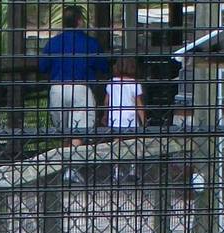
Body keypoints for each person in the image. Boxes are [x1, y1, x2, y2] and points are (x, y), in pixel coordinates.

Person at [39, 7, 107, 149]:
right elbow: (103, 66)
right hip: (81, 88)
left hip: (58, 88)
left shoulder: (53, 43)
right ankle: (72, 169)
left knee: (64, 132)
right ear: (79, 21)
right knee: (78, 132)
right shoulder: (90, 43)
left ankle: (66, 166)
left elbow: (43, 67)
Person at [103, 57, 145, 181]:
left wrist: (105, 115)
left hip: (115, 118)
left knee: (117, 144)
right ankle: (133, 169)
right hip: (130, 119)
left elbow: (106, 101)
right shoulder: (134, 83)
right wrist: (143, 121)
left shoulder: (111, 82)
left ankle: (117, 170)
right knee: (134, 143)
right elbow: (139, 104)